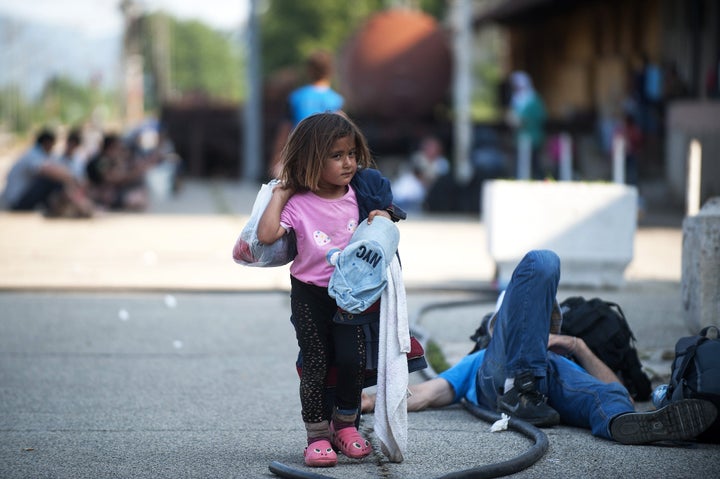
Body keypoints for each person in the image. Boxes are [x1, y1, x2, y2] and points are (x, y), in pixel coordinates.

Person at [362, 250, 718, 445]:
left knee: (612, 403)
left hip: (547, 385)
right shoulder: (480, 360)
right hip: (500, 382)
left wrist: (575, 344)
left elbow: (620, 391)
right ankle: (519, 387)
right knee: (543, 261)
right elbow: (423, 394)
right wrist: (362, 401)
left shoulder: (560, 360)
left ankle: (625, 428)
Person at [257, 112, 403, 467]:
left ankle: (346, 426)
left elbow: (382, 229)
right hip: (310, 294)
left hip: (351, 294)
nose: (349, 163)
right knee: (316, 364)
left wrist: (382, 218)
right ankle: (317, 435)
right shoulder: (299, 202)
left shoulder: (359, 196)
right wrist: (280, 194)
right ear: (311, 159)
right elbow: (265, 236)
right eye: (337, 156)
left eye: (352, 154)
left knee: (353, 361)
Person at [270, 50, 345, 178]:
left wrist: (277, 159)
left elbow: (284, 130)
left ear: (309, 71)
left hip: (299, 155)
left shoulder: (295, 97)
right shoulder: (336, 100)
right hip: (326, 158)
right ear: (330, 71)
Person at [2, 129, 93, 217]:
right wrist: (73, 179)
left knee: (56, 179)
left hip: (20, 198)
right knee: (50, 180)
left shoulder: (38, 154)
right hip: (16, 201)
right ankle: (79, 206)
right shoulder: (33, 154)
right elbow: (49, 171)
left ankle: (75, 206)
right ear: (47, 143)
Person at [507, 71, 547, 180]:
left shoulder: (533, 99)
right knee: (519, 163)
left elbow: (539, 117)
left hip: (532, 138)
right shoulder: (516, 99)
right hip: (519, 138)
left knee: (534, 163)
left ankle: (541, 180)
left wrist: (523, 120)